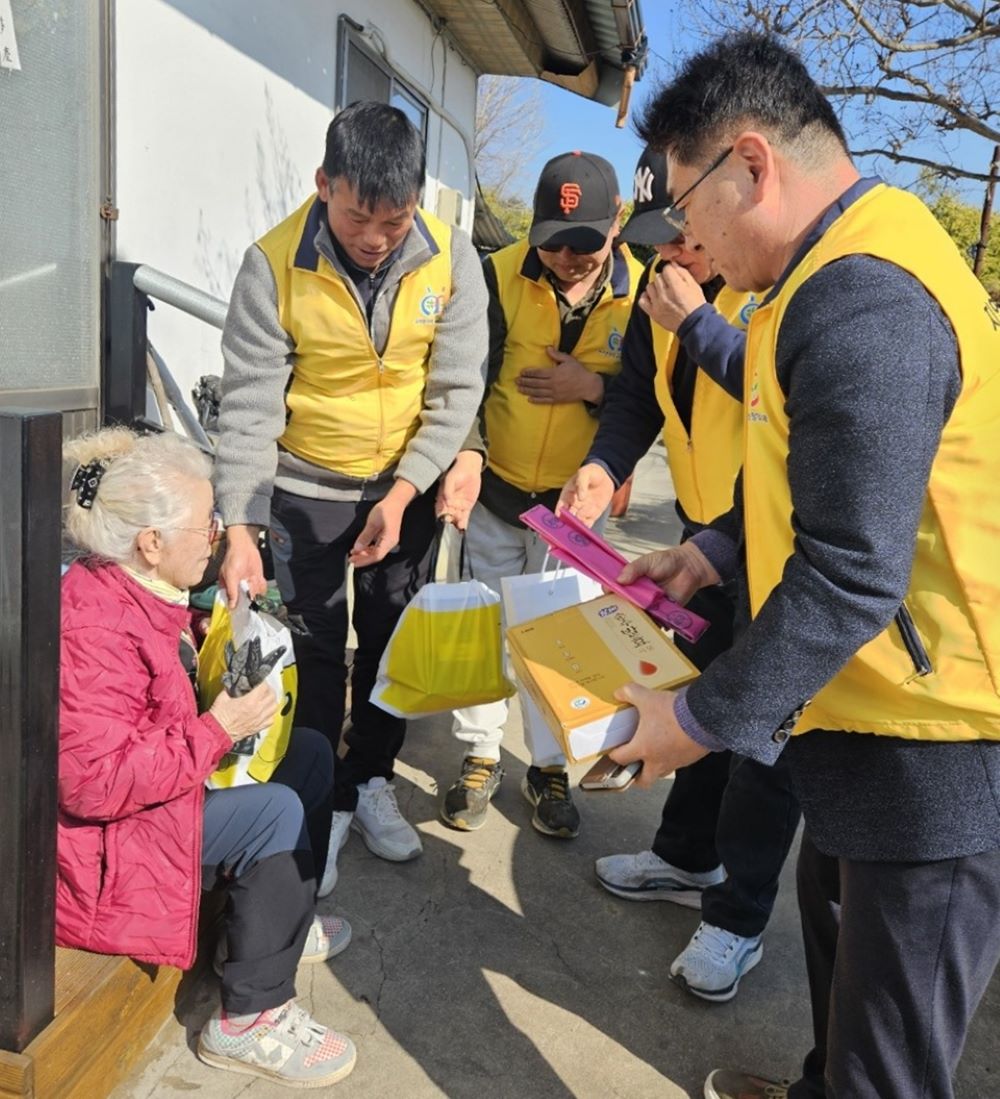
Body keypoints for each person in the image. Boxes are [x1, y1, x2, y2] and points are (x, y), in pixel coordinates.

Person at [607, 32, 1000, 1099]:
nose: (685, 243)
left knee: (891, 1056)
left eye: (685, 209)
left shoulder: (861, 294)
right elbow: (815, 478)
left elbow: (849, 570)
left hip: (936, 743)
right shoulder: (808, 277)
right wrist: (712, 549)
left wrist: (693, 721)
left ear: (749, 162)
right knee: (844, 995)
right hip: (863, 713)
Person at [214, 101, 489, 893]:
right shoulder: (272, 265)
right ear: (322, 184)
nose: (375, 237)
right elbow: (252, 406)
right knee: (317, 649)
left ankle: (369, 781)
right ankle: (317, 803)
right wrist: (242, 521)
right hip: (306, 488)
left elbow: (454, 389)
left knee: (391, 641)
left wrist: (408, 489)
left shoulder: (451, 259)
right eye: (358, 216)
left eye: (394, 220)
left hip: (402, 484)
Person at [558, 145, 800, 1003]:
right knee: (691, 693)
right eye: (658, 242)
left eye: (685, 237)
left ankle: (736, 918)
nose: (673, 256)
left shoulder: (768, 287)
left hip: (776, 542)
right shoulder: (656, 292)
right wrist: (603, 463)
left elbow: (780, 400)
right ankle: (685, 856)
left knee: (766, 735)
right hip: (709, 533)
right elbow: (633, 394)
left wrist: (701, 319)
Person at [57, 428, 356, 1089]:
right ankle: (247, 1017)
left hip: (144, 813)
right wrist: (217, 728)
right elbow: (93, 785)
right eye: (205, 525)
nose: (217, 534)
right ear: (151, 543)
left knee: (306, 752)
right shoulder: (92, 624)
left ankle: (269, 932)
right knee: (271, 812)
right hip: (104, 852)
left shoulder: (141, 591)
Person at [438, 151, 643, 838]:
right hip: (498, 493)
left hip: (573, 516)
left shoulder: (643, 293)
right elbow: (464, 378)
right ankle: (479, 752)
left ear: (616, 224)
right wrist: (466, 451)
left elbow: (651, 401)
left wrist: (594, 389)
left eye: (585, 245)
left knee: (561, 643)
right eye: (554, 244)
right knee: (488, 628)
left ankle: (548, 764)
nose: (568, 259)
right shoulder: (494, 275)